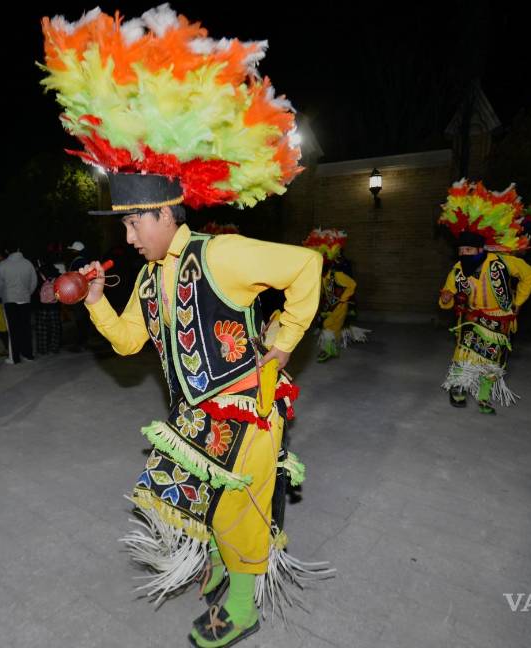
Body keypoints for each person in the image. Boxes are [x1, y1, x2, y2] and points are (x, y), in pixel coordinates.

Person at [42, 7, 330, 645]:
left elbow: (307, 267)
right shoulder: (147, 280)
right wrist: (92, 298)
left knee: (239, 507)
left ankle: (247, 606)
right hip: (195, 414)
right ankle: (227, 567)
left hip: (245, 408)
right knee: (212, 503)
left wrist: (281, 346)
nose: (125, 236)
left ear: (165, 214)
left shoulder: (221, 255)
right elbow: (124, 342)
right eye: (122, 225)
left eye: (131, 223)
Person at [437, 179, 531, 415]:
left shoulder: (503, 262)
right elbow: (446, 296)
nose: (464, 254)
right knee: (465, 355)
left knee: (493, 362)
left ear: (481, 250)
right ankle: (458, 389)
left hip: (501, 320)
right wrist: (446, 297)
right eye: (461, 251)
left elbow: (530, 275)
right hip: (472, 318)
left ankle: (484, 397)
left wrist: (518, 302)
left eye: (469, 251)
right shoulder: (459, 269)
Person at [301, 228, 369, 362]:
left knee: (328, 326)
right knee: (328, 327)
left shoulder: (336, 274)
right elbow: (322, 290)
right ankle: (331, 350)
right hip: (329, 305)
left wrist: (343, 299)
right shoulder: (323, 275)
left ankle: (328, 351)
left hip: (339, 306)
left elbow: (352, 285)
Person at [0, 243, 38, 364]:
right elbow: (34, 281)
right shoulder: (28, 263)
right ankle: (28, 355)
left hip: (9, 300)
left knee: (13, 330)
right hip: (25, 299)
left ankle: (14, 358)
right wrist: (28, 293)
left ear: (7, 251)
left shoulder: (2, 265)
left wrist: (2, 296)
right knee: (25, 328)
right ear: (19, 249)